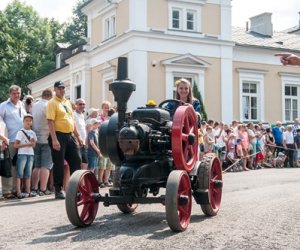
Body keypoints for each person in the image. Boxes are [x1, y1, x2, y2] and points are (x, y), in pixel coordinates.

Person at [46, 80, 83, 199]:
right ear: (55, 90)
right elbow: (50, 122)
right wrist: (54, 139)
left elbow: (72, 121)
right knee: (59, 163)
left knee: (76, 160)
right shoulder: (52, 103)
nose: (62, 90)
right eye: (59, 88)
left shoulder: (67, 102)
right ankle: (58, 189)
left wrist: (78, 136)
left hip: (69, 135)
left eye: (63, 88)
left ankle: (76, 188)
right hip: (58, 135)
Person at [0, 85, 27, 199]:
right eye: (14, 93)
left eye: (18, 93)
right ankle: (6, 191)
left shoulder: (22, 104)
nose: (17, 95)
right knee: (7, 165)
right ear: (9, 94)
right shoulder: (3, 106)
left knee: (17, 166)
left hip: (21, 141)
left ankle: (16, 189)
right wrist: (2, 139)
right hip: (9, 140)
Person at [31, 89, 53, 196]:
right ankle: (43, 189)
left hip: (35, 137)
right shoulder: (49, 105)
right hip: (46, 137)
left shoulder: (34, 105)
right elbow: (51, 121)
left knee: (37, 166)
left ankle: (34, 188)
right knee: (46, 165)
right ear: (50, 96)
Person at [14, 114, 37, 199]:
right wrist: (27, 144)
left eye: (30, 120)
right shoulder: (20, 132)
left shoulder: (33, 133)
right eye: (26, 120)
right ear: (23, 121)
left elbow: (34, 145)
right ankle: (19, 192)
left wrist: (32, 143)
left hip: (30, 154)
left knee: (28, 173)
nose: (28, 122)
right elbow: (15, 145)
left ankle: (28, 191)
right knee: (19, 173)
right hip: (22, 154)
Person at [74, 98, 88, 170]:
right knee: (78, 163)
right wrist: (77, 139)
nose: (82, 106)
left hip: (83, 143)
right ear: (76, 105)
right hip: (76, 142)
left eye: (83, 104)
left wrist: (85, 141)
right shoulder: (74, 114)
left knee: (85, 162)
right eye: (80, 104)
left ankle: (82, 179)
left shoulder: (82, 115)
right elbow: (73, 128)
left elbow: (84, 129)